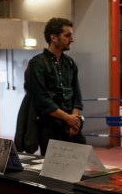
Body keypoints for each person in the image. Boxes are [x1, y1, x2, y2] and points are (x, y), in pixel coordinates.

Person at [23, 17, 86, 155]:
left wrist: (74, 121)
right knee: (54, 172)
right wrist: (67, 118)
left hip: (71, 126)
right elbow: (42, 101)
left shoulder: (70, 63)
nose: (72, 39)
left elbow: (77, 95)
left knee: (81, 167)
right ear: (54, 38)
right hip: (50, 127)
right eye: (67, 35)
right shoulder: (37, 64)